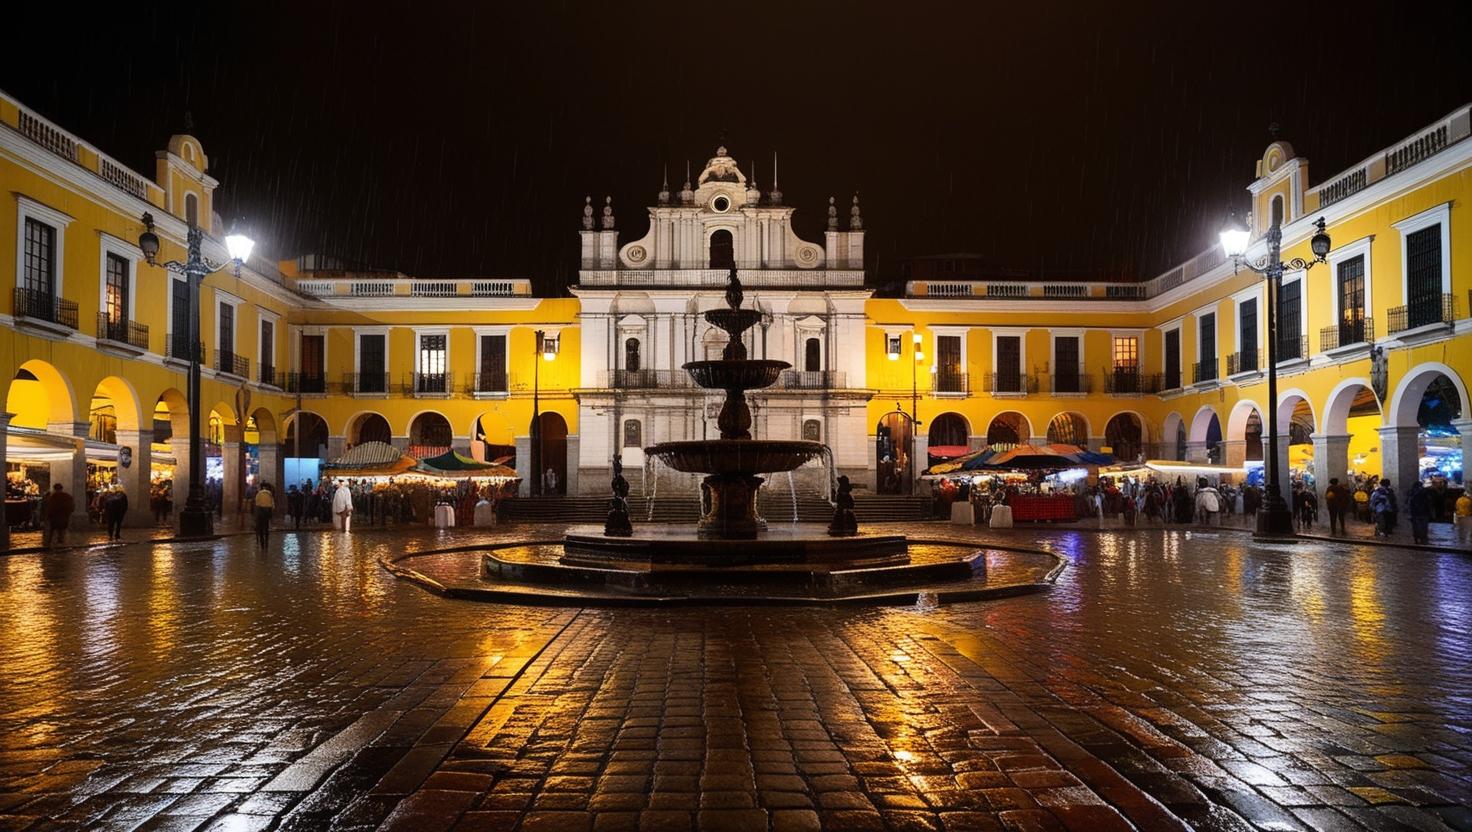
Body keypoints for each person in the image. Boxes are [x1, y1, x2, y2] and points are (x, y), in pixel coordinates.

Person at [45, 483, 75, 549]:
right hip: (64, 517)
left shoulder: (53, 497)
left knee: (53, 531)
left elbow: (50, 508)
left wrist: (48, 516)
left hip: (55, 518)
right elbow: (72, 507)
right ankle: (61, 543)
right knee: (61, 531)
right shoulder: (67, 496)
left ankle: (50, 544)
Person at [253, 483, 275, 549]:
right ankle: (266, 539)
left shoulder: (259, 494)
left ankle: (261, 541)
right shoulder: (269, 493)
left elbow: (256, 503)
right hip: (267, 512)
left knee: (260, 526)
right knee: (266, 526)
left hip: (260, 511)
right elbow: (272, 504)